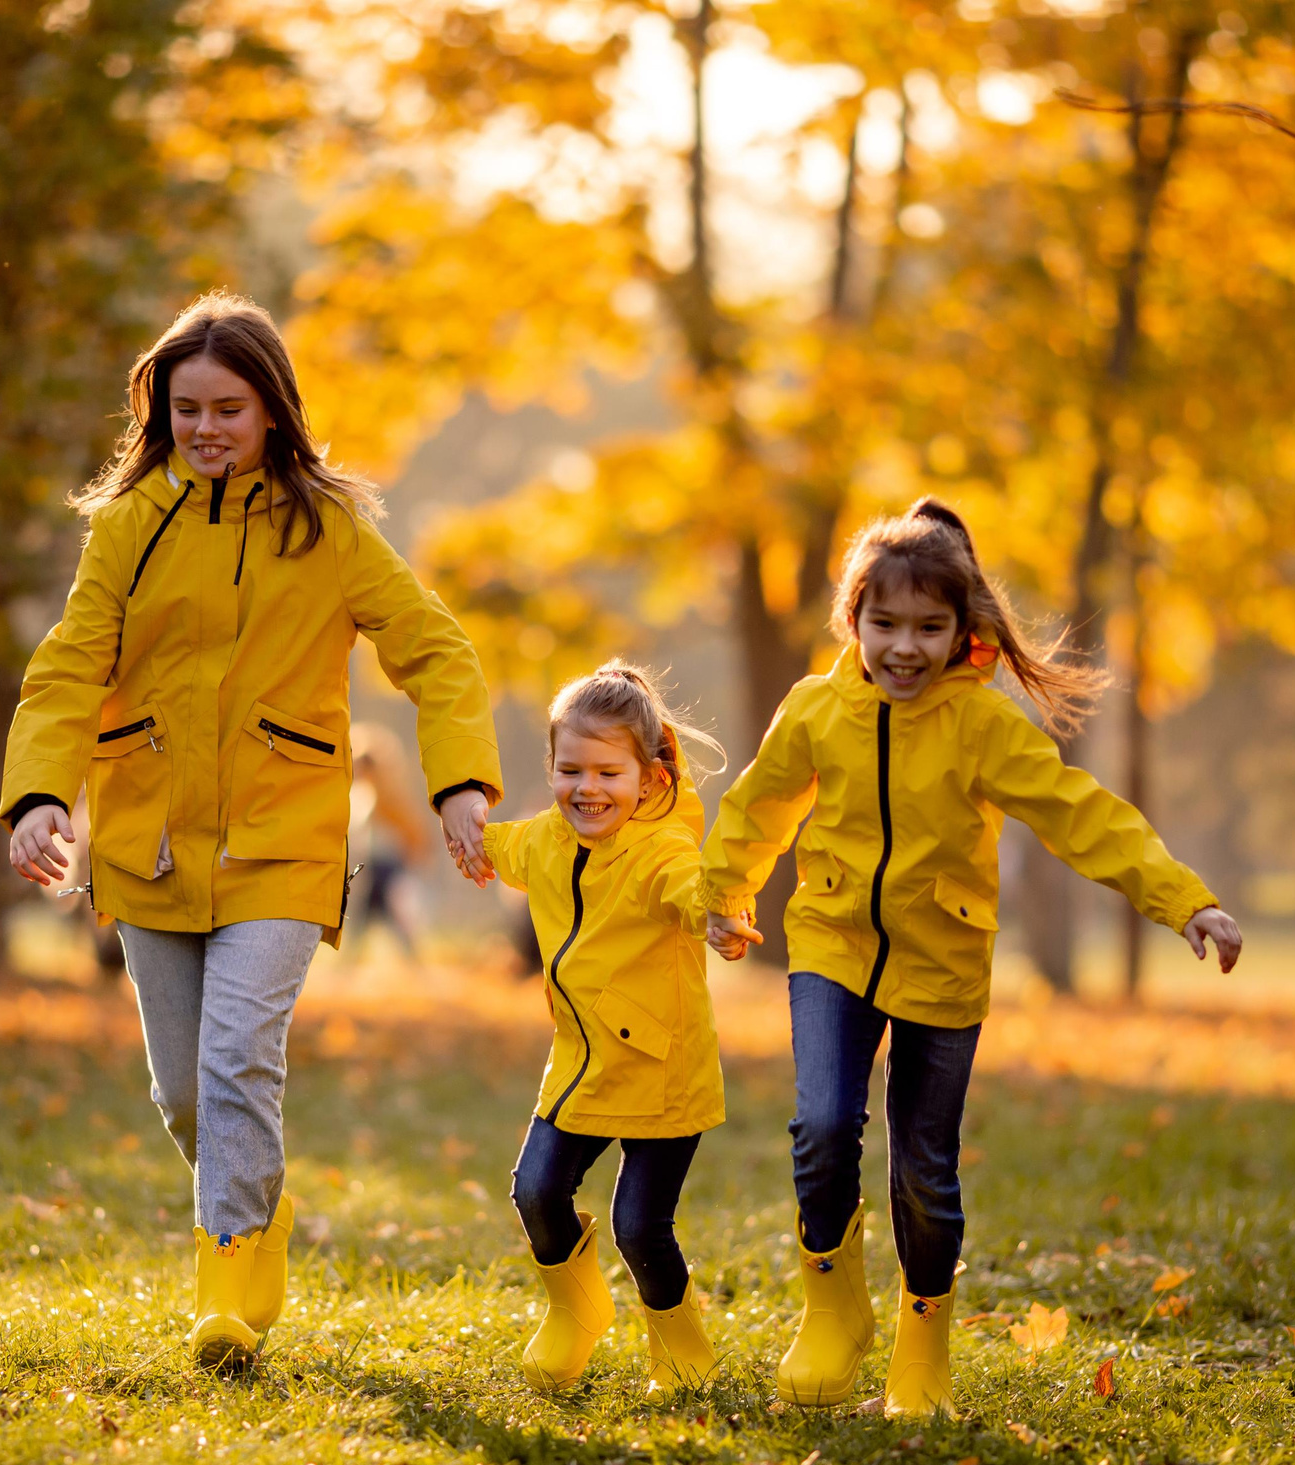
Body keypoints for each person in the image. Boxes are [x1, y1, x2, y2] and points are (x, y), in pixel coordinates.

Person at [0, 292, 499, 1369]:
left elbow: (436, 653)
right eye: (188, 409)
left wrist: (458, 782)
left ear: (273, 410)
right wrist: (43, 795)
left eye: (230, 407)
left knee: (234, 1062)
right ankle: (253, 1209)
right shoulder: (128, 530)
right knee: (183, 1091)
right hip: (149, 841)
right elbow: (69, 671)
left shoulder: (330, 531)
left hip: (284, 842)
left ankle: (228, 1276)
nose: (209, 428)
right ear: (161, 415)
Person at [703, 498, 1241, 1418]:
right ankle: (833, 1308)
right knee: (823, 1125)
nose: (904, 647)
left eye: (929, 627)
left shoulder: (984, 726)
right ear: (852, 619)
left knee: (924, 1161)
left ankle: (922, 1343)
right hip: (832, 942)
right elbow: (760, 806)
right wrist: (725, 890)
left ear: (963, 631)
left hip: (942, 961)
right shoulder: (817, 708)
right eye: (885, 624)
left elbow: (1081, 815)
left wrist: (1183, 897)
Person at [479, 663, 728, 1397]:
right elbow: (499, 845)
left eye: (608, 772)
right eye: (570, 769)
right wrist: (464, 824)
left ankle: (682, 1349)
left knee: (640, 1226)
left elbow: (689, 886)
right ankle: (577, 1307)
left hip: (662, 1069)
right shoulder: (548, 841)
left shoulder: (661, 850)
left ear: (649, 779)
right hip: (582, 1064)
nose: (587, 788)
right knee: (535, 1190)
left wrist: (715, 910)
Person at [348, 724, 431, 961]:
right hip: (374, 866)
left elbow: (413, 833)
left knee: (398, 920)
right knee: (363, 919)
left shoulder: (388, 797)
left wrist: (412, 862)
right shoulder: (362, 795)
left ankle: (416, 965)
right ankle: (349, 964)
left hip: (391, 867)